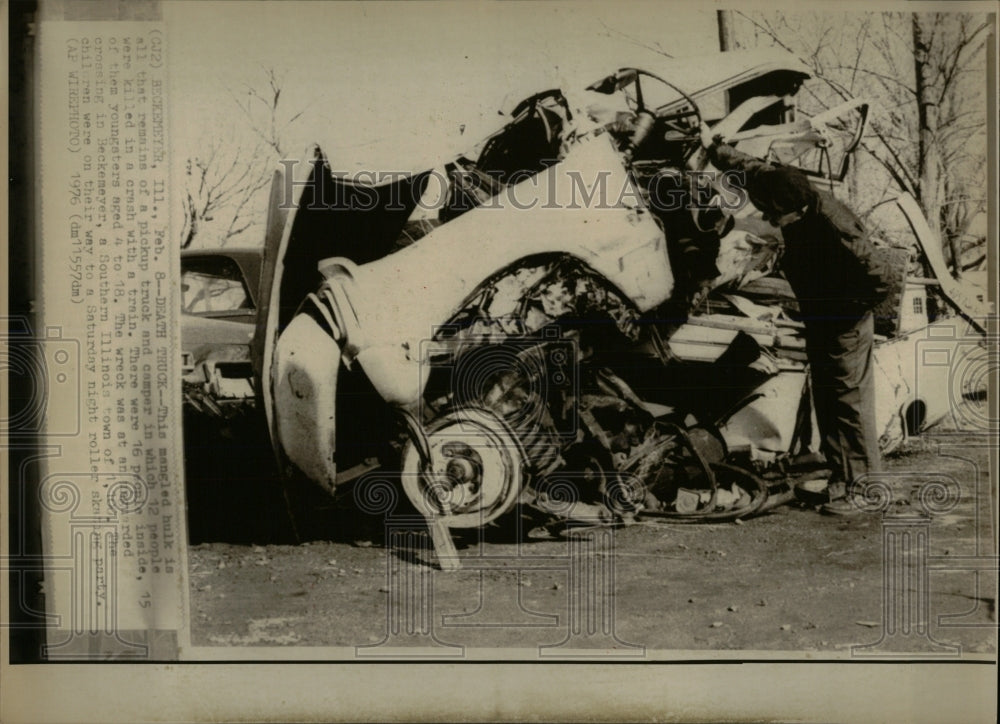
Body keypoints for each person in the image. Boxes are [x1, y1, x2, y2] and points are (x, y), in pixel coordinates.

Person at [704, 136, 890, 515]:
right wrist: (716, 151)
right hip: (821, 315)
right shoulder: (776, 185)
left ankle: (865, 490)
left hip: (845, 320)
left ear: (801, 210)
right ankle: (841, 483)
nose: (772, 222)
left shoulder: (837, 225)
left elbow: (882, 278)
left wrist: (847, 313)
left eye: (778, 218)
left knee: (849, 404)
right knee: (826, 396)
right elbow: (749, 166)